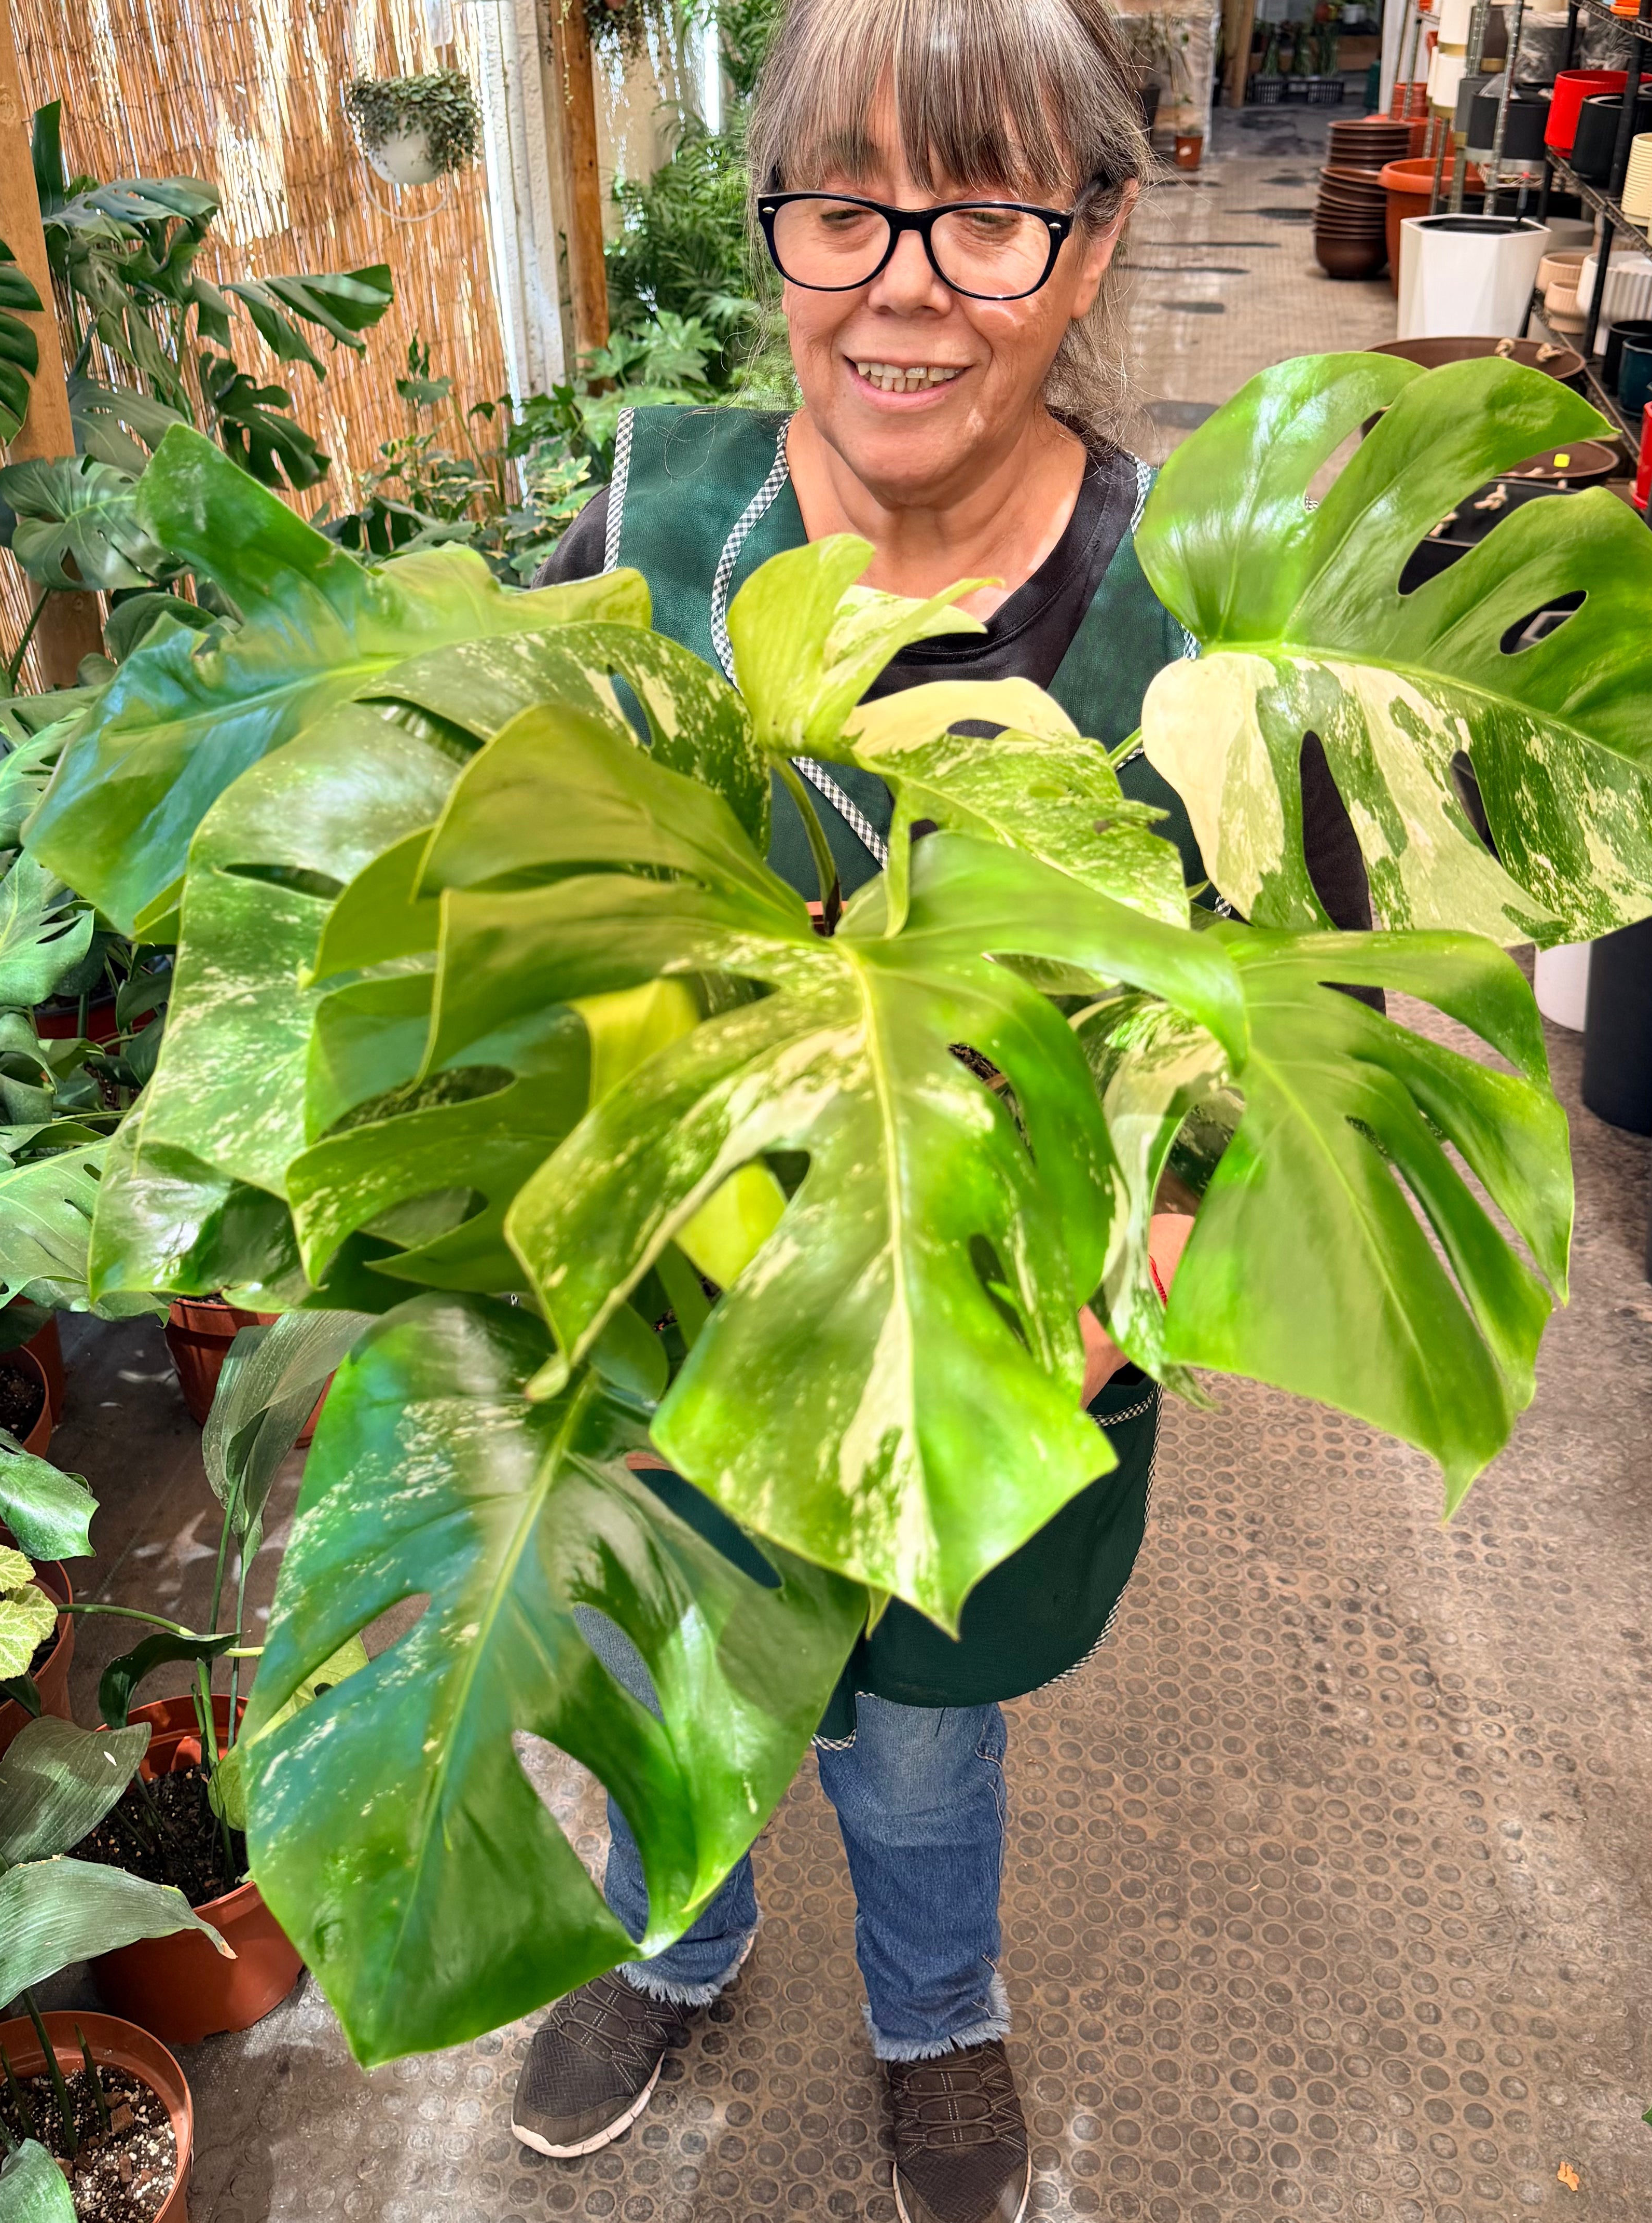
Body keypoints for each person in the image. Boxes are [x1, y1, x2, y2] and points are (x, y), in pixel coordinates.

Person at [510, 3, 1369, 2217]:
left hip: (990, 1348)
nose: (900, 285)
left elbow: (1302, 1017)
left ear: (1094, 240)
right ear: (772, 226)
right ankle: (676, 1942)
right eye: (844, 206)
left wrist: (1141, 1262)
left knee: (912, 1740)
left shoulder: (1190, 628)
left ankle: (933, 2011)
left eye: (983, 215)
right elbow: (476, 911)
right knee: (667, 1671)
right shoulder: (646, 541)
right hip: (669, 1330)